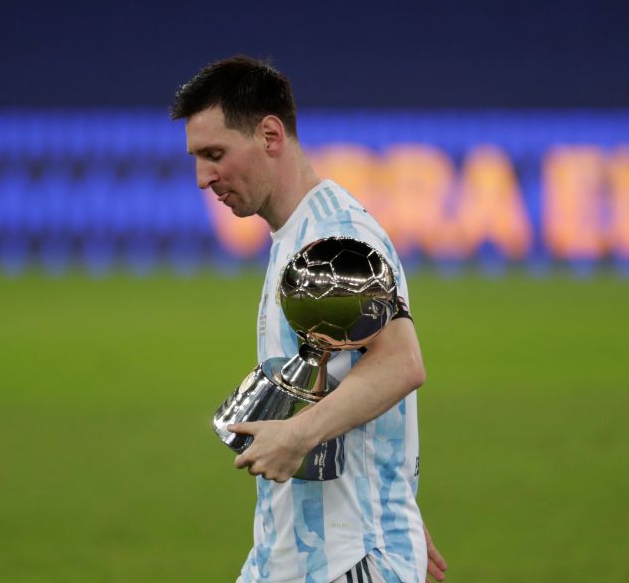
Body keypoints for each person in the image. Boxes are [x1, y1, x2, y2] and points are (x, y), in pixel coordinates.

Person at [170, 56, 447, 583]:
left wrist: (298, 437)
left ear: (270, 135)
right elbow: (349, 374)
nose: (203, 178)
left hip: (347, 559)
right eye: (197, 158)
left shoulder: (334, 237)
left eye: (215, 154)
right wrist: (387, 495)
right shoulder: (296, 234)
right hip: (298, 550)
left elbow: (400, 363)